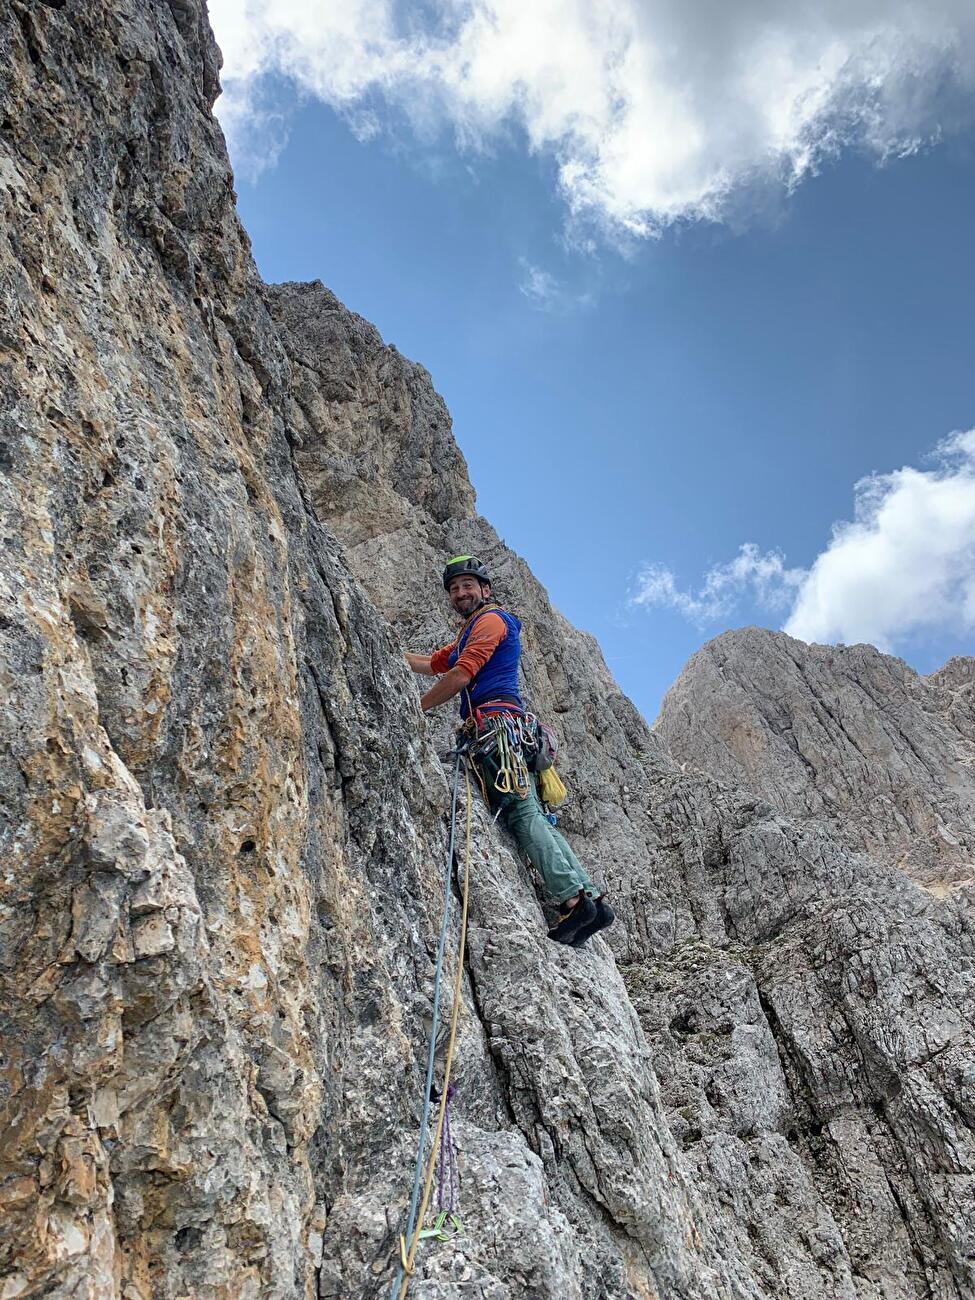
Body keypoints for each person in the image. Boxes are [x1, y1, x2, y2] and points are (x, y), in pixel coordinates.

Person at [406, 555, 614, 947]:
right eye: (454, 588)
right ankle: (591, 900)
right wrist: (393, 655)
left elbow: (461, 673)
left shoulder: (491, 621)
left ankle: (572, 899)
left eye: (468, 585)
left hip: (495, 727)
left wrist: (414, 709)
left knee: (522, 814)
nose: (460, 593)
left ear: (485, 590)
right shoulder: (473, 629)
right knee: (533, 812)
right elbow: (435, 663)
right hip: (508, 729)